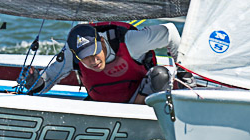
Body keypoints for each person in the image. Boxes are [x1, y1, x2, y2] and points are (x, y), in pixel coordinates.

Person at [25, 20, 180, 103]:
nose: (93, 61)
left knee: (161, 75)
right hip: (101, 104)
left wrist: (185, 72)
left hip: (139, 100)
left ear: (102, 42)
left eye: (94, 53)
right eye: (85, 57)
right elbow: (48, 79)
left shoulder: (130, 41)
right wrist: (34, 81)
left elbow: (170, 32)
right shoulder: (72, 54)